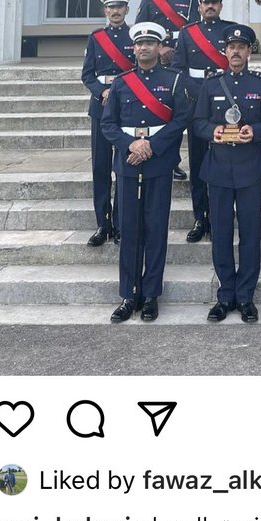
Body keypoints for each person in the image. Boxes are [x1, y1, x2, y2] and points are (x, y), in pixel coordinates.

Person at [102, 21, 192, 323]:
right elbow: (108, 124)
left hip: (158, 162)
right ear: (134, 47)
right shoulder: (121, 83)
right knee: (129, 230)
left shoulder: (174, 80)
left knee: (155, 229)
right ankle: (129, 294)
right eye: (140, 44)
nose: (144, 48)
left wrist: (151, 145)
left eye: (150, 43)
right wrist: (132, 145)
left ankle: (151, 293)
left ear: (159, 46)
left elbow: (181, 120)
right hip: (128, 163)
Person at [193, 24, 261, 323]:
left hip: (249, 169)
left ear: (249, 51)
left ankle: (246, 297)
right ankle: (225, 295)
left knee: (250, 235)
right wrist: (213, 130)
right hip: (217, 169)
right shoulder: (211, 84)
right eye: (232, 47)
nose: (236, 51)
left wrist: (253, 131)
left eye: (242, 47)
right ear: (225, 51)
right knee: (222, 235)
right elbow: (198, 122)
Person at [172, 0, 238, 243]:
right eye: (205, 2)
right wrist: (199, 93)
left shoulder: (231, 31)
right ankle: (200, 217)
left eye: (214, 2)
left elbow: (238, 64)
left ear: (220, 6)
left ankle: (223, 216)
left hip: (226, 104)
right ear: (199, 7)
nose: (210, 6)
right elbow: (179, 69)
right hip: (198, 103)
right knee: (198, 164)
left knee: (227, 162)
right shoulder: (188, 33)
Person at [136, 0, 200, 182]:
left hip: (182, 62)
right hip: (158, 60)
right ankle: (170, 160)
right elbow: (141, 29)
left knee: (183, 112)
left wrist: (180, 52)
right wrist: (159, 49)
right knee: (163, 113)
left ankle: (193, 161)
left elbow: (194, 30)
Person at [81, 0, 135, 246]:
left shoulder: (136, 36)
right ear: (105, 10)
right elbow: (87, 74)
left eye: (120, 7)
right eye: (111, 7)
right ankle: (103, 224)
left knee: (124, 168)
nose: (115, 11)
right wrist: (102, 91)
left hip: (126, 111)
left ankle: (122, 222)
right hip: (101, 109)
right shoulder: (96, 38)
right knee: (101, 167)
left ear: (126, 9)